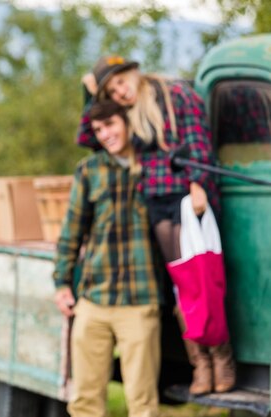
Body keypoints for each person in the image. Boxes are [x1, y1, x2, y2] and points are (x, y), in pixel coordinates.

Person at [78, 56, 235, 395]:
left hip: (187, 199)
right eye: (111, 90)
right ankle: (200, 364)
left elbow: (198, 144)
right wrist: (90, 96)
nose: (119, 92)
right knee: (181, 288)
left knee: (202, 280)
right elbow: (88, 138)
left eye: (120, 83)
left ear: (132, 74)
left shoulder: (175, 95)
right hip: (156, 201)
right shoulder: (125, 114)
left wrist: (198, 184)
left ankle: (221, 358)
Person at [54, 100, 161, 417]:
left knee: (142, 403)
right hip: (95, 300)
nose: (106, 134)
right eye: (98, 130)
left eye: (110, 125)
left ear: (127, 121)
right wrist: (61, 282)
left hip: (140, 301)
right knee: (85, 401)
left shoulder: (154, 168)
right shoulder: (90, 171)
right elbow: (71, 232)